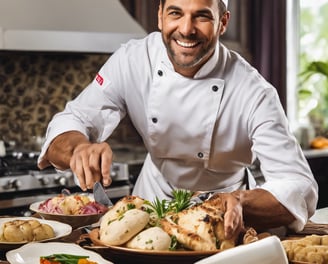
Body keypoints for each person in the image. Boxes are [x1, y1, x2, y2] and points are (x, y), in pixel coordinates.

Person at [38, 0, 318, 241]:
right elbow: (73, 119)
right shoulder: (134, 60)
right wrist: (79, 149)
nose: (186, 29)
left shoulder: (253, 92)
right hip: (147, 208)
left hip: (223, 217)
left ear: (223, 22)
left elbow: (298, 185)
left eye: (202, 15)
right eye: (175, 13)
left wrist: (241, 203)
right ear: (159, 15)